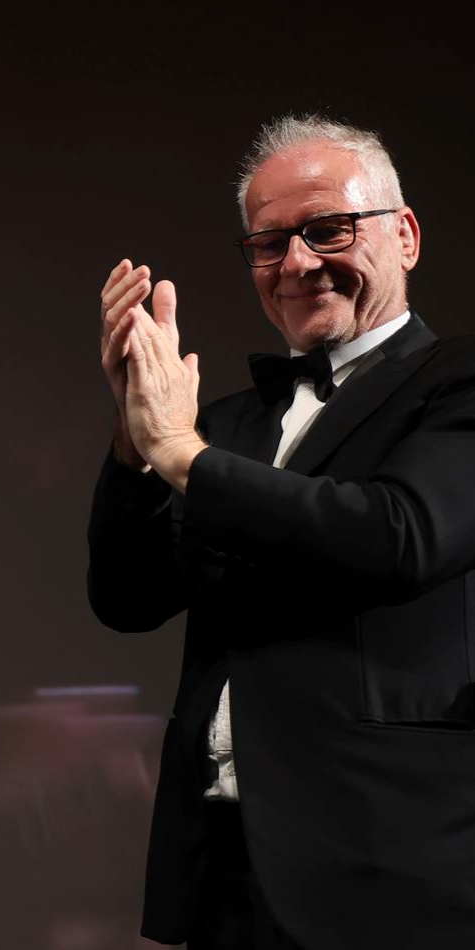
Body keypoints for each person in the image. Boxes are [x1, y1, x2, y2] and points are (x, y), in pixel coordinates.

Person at [89, 114, 475, 949]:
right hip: (226, 862)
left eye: (327, 229)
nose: (297, 263)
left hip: (390, 865)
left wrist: (180, 453)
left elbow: (396, 536)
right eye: (269, 244)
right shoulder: (226, 423)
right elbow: (129, 599)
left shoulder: (458, 385)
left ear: (405, 237)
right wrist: (133, 439)